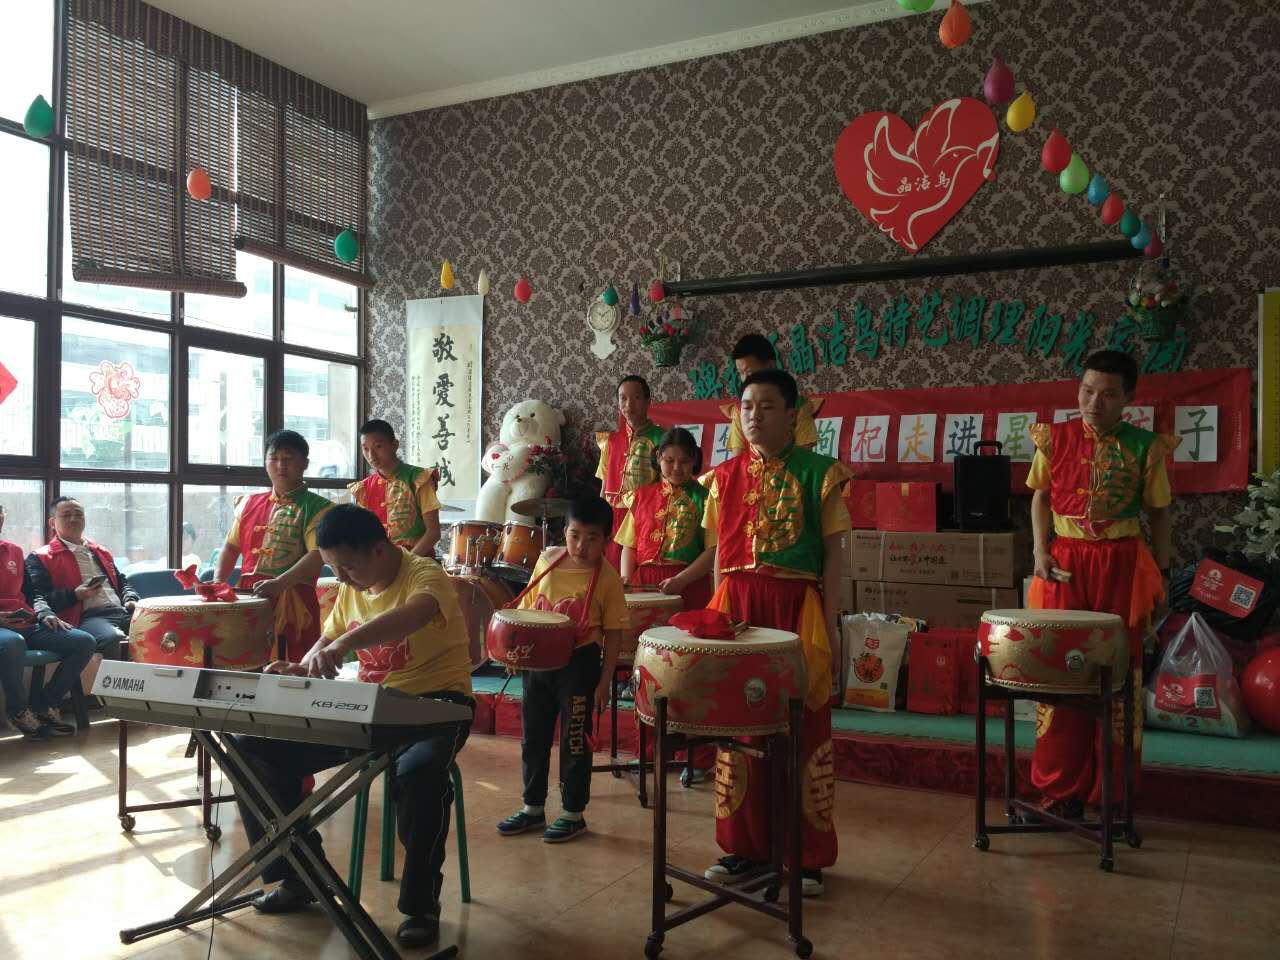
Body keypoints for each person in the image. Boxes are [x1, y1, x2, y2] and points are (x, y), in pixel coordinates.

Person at [233, 504, 474, 949]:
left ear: (380, 549)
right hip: (367, 709)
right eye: (333, 568)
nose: (342, 578)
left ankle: (420, 906)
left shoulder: (424, 574)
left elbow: (414, 614)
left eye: (348, 567)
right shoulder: (350, 587)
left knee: (420, 772)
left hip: (436, 707)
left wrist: (343, 644)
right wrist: (302, 667)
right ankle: (300, 875)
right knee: (250, 748)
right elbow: (327, 641)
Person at [701, 369, 852, 898]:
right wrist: (718, 617)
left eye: (767, 406)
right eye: (747, 405)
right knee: (740, 729)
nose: (754, 415)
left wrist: (830, 622)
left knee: (801, 727)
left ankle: (805, 856)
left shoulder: (821, 473)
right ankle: (742, 848)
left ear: (793, 416)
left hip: (795, 606)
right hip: (739, 606)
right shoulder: (723, 476)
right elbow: (720, 555)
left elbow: (834, 555)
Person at [1026, 350, 1176, 818]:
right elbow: (1040, 498)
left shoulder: (1145, 446)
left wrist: (1163, 571)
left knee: (1117, 673)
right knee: (1061, 671)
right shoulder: (1055, 438)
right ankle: (1059, 788)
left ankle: (1110, 792)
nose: (1094, 403)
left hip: (1121, 563)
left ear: (1128, 398)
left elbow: (1159, 513)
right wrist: (1040, 551)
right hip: (1066, 562)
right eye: (1087, 391)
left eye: (1108, 394)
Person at [496, 495, 627, 843]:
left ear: (607, 539)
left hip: (580, 665)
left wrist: (604, 683)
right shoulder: (547, 559)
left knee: (575, 741)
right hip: (539, 661)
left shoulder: (608, 579)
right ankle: (532, 807)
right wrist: (515, 654)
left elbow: (614, 634)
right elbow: (526, 609)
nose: (581, 546)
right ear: (564, 531)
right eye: (574, 535)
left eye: (592, 538)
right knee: (533, 737)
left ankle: (573, 812)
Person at [214, 430, 334, 661]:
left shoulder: (318, 508)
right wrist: (219, 581)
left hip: (293, 598)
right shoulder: (249, 503)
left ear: (304, 464)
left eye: (288, 459)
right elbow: (230, 547)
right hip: (249, 597)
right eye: (274, 458)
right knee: (245, 662)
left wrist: (280, 583)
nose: (280, 465)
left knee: (291, 665)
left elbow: (317, 554)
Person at [1, 503, 94, 738]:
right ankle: (18, 711)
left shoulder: (13, 551)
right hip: (3, 629)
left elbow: (32, 593)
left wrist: (45, 613)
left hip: (26, 621)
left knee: (83, 642)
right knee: (13, 643)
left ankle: (44, 703)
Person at [26, 496, 139, 663]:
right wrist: (75, 595)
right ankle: (117, 681)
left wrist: (130, 598)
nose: (74, 519)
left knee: (160, 629)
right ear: (52, 523)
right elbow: (38, 599)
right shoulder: (40, 557)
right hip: (88, 618)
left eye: (79, 514)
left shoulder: (100, 551)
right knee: (115, 639)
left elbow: (122, 583)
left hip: (122, 611)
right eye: (66, 515)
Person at [615, 427, 715, 610]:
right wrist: (626, 577)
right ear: (658, 457)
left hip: (688, 583)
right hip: (643, 584)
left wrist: (681, 580)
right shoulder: (641, 496)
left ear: (694, 460)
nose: (676, 468)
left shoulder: (706, 498)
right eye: (669, 461)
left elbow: (713, 550)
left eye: (684, 461)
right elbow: (629, 546)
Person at [595, 376, 666, 570]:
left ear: (648, 401)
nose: (628, 404)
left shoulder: (662, 438)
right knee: (610, 571)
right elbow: (604, 486)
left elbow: (666, 487)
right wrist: (599, 518)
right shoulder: (610, 441)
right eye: (623, 398)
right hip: (612, 517)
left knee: (636, 573)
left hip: (642, 515)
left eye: (636, 397)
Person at [347, 419, 443, 556]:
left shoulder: (420, 479)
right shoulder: (364, 488)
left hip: (418, 562)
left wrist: (406, 563)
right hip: (379, 563)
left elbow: (433, 533)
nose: (371, 455)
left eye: (378, 446)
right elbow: (363, 535)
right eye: (366, 449)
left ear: (395, 445)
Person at [721, 334, 822, 454]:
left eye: (750, 372)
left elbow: (805, 456)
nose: (746, 379)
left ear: (770, 366)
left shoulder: (799, 406)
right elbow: (737, 460)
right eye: (741, 373)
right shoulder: (740, 410)